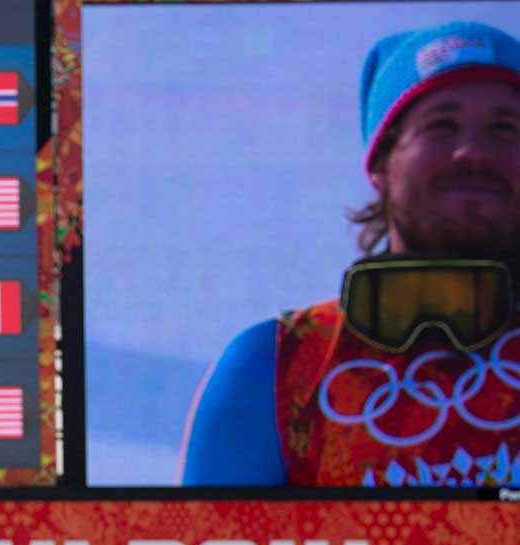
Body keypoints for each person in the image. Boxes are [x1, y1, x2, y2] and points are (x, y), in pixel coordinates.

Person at [181, 21, 520, 486]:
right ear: (381, 162)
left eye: (506, 128)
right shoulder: (276, 369)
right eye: (442, 125)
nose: (472, 152)